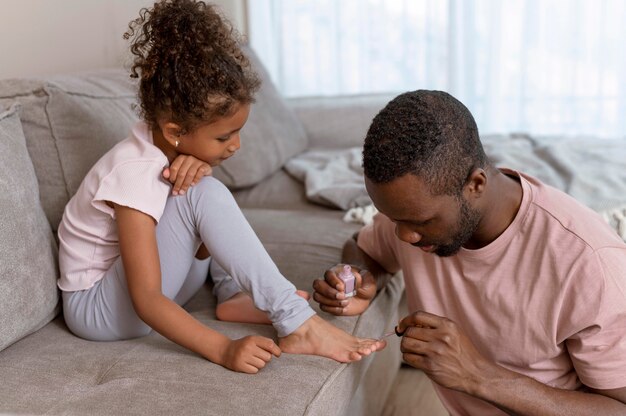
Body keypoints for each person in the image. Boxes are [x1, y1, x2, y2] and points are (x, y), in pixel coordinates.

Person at [57, 0, 384, 375]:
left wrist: (198, 171)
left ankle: (233, 296)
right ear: (174, 132)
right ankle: (298, 323)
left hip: (162, 290)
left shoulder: (167, 151)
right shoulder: (132, 172)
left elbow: (190, 243)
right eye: (225, 136)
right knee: (202, 195)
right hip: (101, 310)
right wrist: (223, 349)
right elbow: (146, 298)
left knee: (200, 192)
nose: (236, 146)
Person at [313, 90, 626, 414]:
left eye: (420, 221)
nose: (404, 235)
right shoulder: (416, 217)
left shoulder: (590, 264)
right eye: (394, 219)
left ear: (475, 184)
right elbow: (364, 247)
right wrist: (357, 274)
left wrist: (478, 376)